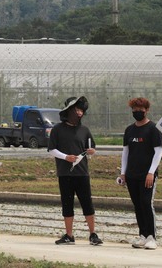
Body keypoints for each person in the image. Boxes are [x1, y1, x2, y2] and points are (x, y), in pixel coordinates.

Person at [47, 96, 102, 246]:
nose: (79, 113)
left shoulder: (84, 130)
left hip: (82, 172)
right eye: (76, 109)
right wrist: (66, 157)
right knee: (67, 203)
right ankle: (69, 235)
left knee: (87, 203)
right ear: (69, 110)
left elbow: (91, 148)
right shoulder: (57, 129)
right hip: (65, 173)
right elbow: (51, 150)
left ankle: (92, 234)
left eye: (81, 110)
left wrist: (91, 151)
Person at [119, 97, 162, 250]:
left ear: (147, 110)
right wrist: (123, 173)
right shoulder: (129, 130)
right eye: (135, 110)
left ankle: (152, 236)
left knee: (146, 203)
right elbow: (125, 153)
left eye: (141, 110)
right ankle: (143, 235)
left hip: (147, 176)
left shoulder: (153, 129)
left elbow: (158, 152)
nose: (138, 112)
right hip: (132, 175)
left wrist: (151, 173)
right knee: (137, 205)